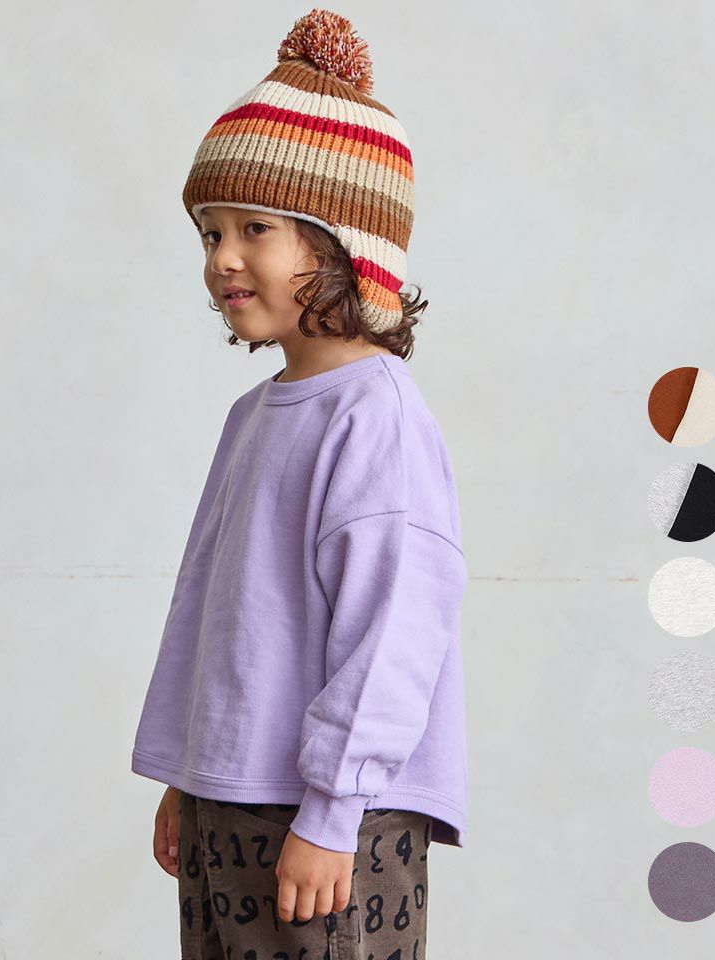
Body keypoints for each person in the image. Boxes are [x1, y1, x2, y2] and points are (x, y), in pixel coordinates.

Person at [130, 9, 469, 958]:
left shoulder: (377, 418)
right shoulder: (256, 415)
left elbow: (396, 629)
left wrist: (331, 811)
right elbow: (216, 615)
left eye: (255, 228)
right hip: (231, 799)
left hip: (334, 819)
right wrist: (188, 771)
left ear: (344, 243)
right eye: (209, 232)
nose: (222, 258)